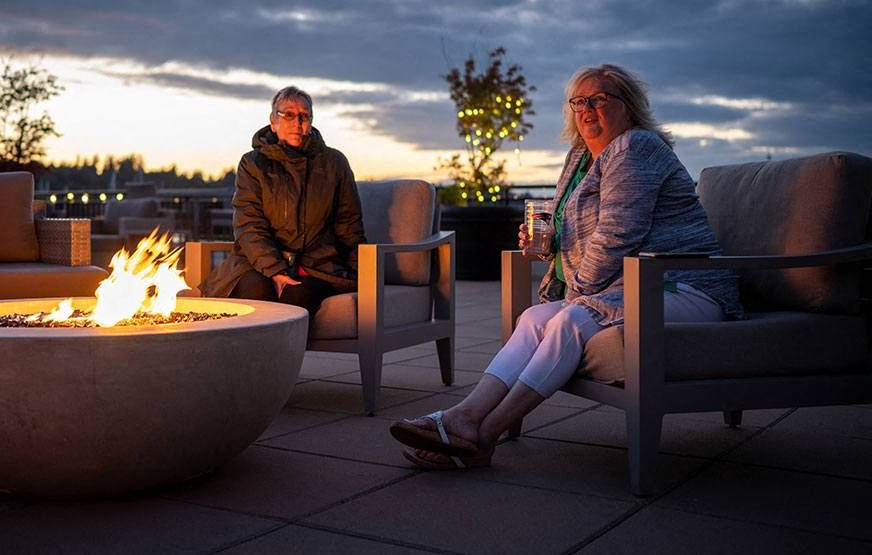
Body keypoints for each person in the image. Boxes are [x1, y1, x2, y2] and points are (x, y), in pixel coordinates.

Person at [389, 63, 742, 470]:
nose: (587, 109)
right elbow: (572, 229)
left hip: (683, 286)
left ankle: (485, 434)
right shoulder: (579, 159)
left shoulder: (636, 147)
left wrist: (575, 296)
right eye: (578, 101)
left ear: (628, 106)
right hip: (627, 287)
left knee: (569, 319)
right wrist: (548, 245)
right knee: (535, 318)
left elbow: (617, 236)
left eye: (599, 99)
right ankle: (463, 416)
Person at [199, 86, 365, 320]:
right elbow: (249, 224)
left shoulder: (333, 163)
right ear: (273, 121)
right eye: (288, 114)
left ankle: (278, 356)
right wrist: (275, 269)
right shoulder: (253, 164)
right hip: (257, 265)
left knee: (294, 303)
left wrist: (361, 274)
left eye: (304, 116)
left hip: (316, 266)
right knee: (256, 295)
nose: (297, 122)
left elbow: (349, 225)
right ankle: (249, 357)